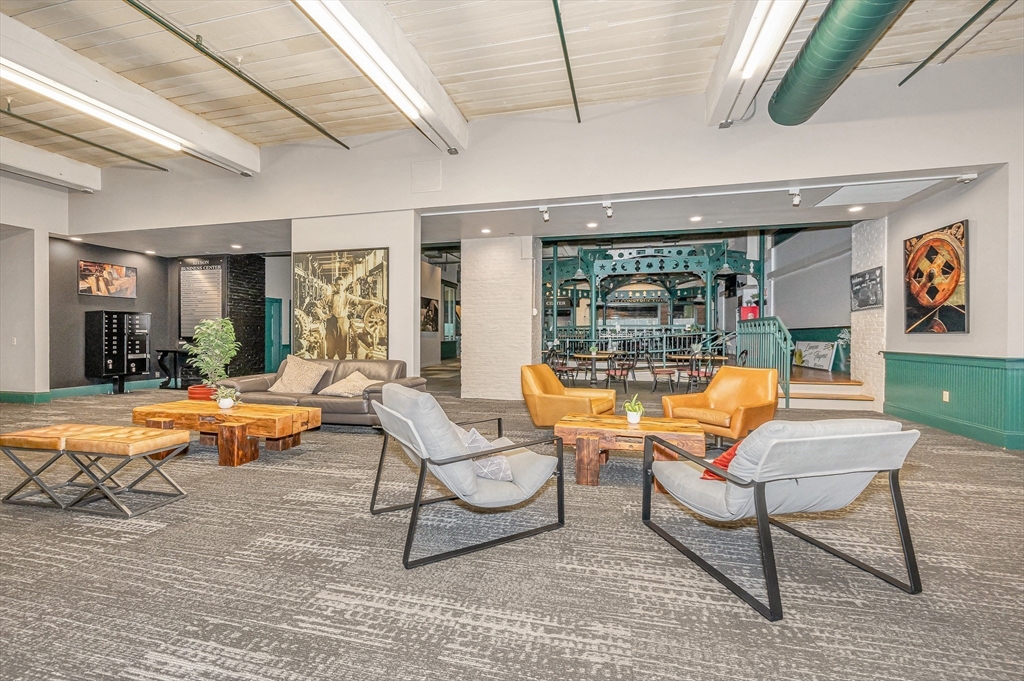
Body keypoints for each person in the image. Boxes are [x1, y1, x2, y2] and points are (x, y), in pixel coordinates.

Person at [324, 275, 375, 359]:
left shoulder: (347, 297)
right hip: (331, 324)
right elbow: (317, 305)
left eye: (341, 285)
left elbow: (359, 301)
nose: (340, 287)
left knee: (342, 348)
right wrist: (323, 316)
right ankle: (330, 366)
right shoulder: (330, 297)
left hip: (343, 323)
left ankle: (342, 366)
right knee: (330, 349)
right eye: (338, 285)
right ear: (335, 285)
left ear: (344, 285)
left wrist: (371, 301)